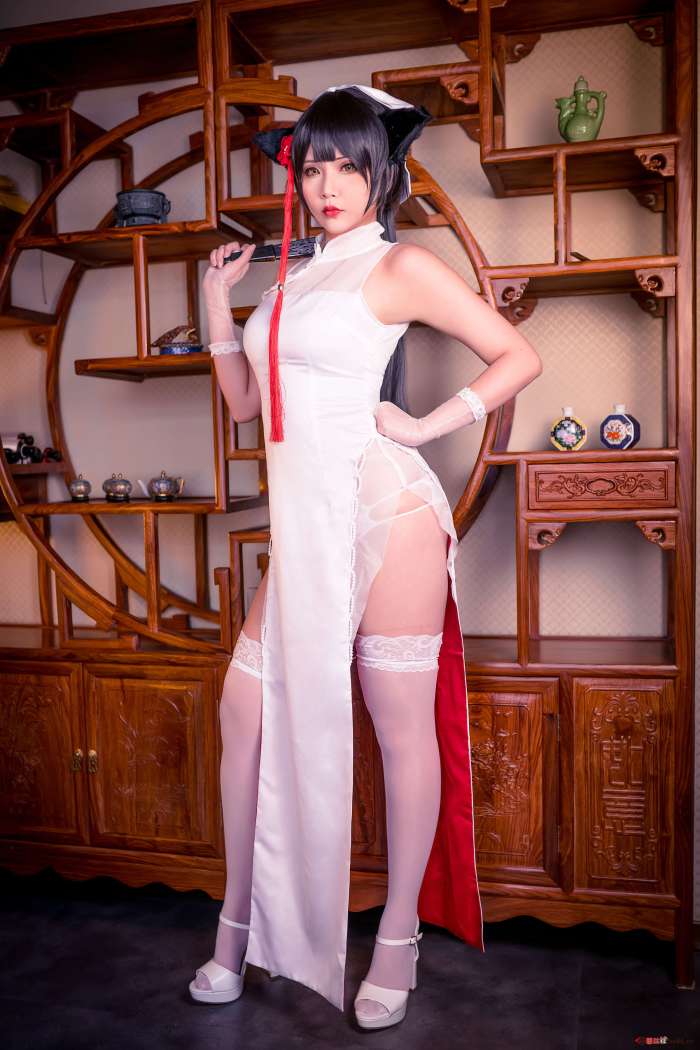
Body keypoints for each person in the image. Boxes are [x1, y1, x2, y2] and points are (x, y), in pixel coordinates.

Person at [189, 83, 542, 1029]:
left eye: (349, 165)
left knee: (398, 727)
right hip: (304, 525)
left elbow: (517, 357)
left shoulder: (402, 265)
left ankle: (395, 944)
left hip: (387, 515)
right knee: (242, 708)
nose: (329, 185)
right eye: (314, 168)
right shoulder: (288, 283)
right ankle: (236, 930)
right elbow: (248, 408)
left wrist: (425, 425)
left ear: (382, 174)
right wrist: (217, 303)